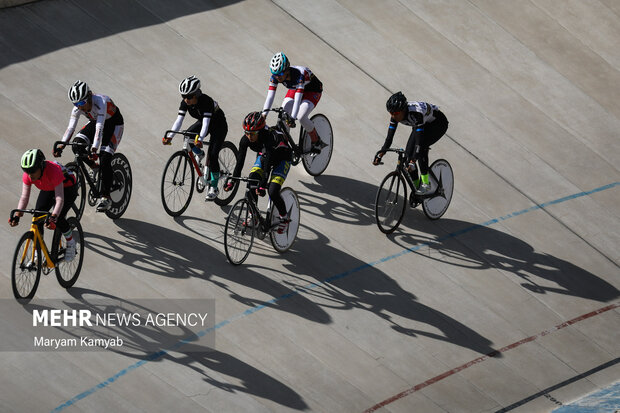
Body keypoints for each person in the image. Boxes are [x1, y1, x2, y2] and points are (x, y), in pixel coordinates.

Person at [54, 80, 124, 212]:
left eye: (81, 103)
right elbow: (70, 128)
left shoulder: (101, 102)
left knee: (105, 158)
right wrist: (61, 145)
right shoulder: (78, 107)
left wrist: (94, 149)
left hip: (113, 124)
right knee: (76, 146)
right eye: (75, 104)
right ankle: (94, 167)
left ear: (90, 95)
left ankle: (106, 196)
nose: (79, 107)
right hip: (96, 121)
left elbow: (100, 127)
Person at [224, 112, 293, 234]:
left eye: (253, 133)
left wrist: (262, 184)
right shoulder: (245, 140)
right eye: (247, 133)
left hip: (282, 159)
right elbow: (240, 162)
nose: (249, 136)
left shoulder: (269, 138)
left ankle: (284, 217)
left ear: (260, 131)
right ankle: (254, 216)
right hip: (265, 156)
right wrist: (233, 180)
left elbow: (267, 165)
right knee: (251, 181)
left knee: (272, 190)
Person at [162, 75, 229, 201]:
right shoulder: (185, 102)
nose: (185, 100)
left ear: (196, 94)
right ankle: (200, 154)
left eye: (188, 97)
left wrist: (200, 138)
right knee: (187, 136)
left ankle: (214, 187)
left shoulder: (206, 101)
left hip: (218, 125)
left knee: (213, 154)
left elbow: (206, 124)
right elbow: (179, 121)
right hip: (204, 121)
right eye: (183, 96)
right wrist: (170, 136)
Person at [9, 149, 78, 262]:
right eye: (27, 171)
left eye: (32, 171)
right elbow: (24, 197)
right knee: (37, 216)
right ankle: (37, 252)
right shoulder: (29, 175)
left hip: (67, 188)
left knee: (59, 217)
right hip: (49, 187)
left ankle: (71, 243)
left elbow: (60, 198)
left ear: (41, 166)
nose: (30, 175)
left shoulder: (53, 171)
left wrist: (54, 216)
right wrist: (17, 215)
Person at [373, 91, 449, 194]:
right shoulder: (395, 115)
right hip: (421, 124)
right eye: (391, 113)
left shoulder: (416, 114)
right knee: (408, 156)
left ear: (403, 110)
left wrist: (414, 160)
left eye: (395, 113)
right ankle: (417, 187)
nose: (393, 116)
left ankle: (426, 184)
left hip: (438, 124)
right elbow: (389, 138)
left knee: (421, 148)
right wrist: (381, 154)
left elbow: (419, 142)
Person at [261, 52, 327, 152]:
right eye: (275, 74)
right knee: (283, 114)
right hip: (295, 88)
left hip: (312, 90)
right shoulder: (275, 77)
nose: (278, 77)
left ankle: (316, 141)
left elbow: (297, 100)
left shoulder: (299, 75)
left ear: (287, 70)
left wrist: (292, 118)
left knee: (301, 117)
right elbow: (270, 97)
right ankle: (284, 143)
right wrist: (264, 114)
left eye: (280, 74)